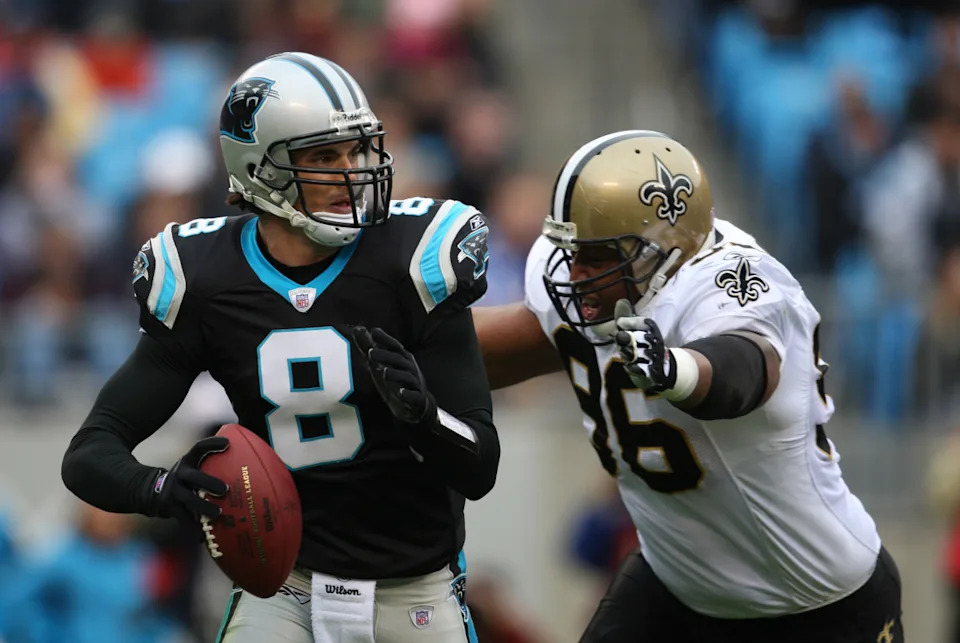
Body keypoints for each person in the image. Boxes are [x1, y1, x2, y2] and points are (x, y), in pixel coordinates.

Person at [61, 52, 499, 643]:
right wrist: (163, 491)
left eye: (357, 149)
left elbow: (480, 466)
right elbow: (89, 453)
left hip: (414, 591)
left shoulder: (414, 258)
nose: (351, 171)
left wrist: (426, 419)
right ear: (258, 168)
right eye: (323, 156)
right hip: (285, 588)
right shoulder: (205, 279)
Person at [472, 130, 903, 642]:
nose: (574, 274)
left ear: (661, 250)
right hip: (677, 586)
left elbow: (745, 369)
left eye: (597, 257)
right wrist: (371, 349)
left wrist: (673, 369)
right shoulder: (586, 282)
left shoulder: (731, 280)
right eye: (572, 253)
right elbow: (525, 341)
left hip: (814, 603)